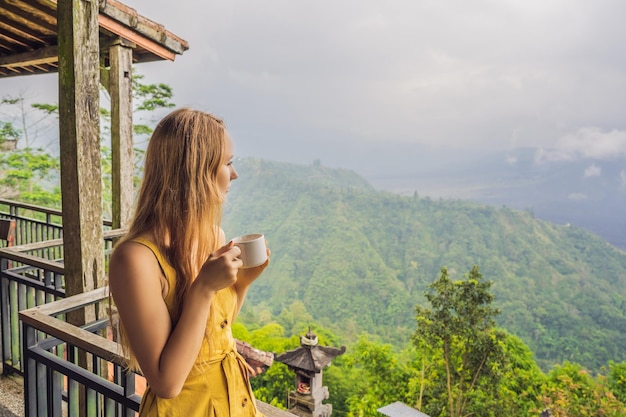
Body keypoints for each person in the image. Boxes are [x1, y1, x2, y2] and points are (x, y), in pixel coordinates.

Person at [108, 108, 269, 416]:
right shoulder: (136, 259)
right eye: (227, 163)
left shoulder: (212, 235)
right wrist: (203, 289)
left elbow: (214, 334)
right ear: (195, 171)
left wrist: (243, 284)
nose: (234, 174)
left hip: (234, 402)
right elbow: (167, 382)